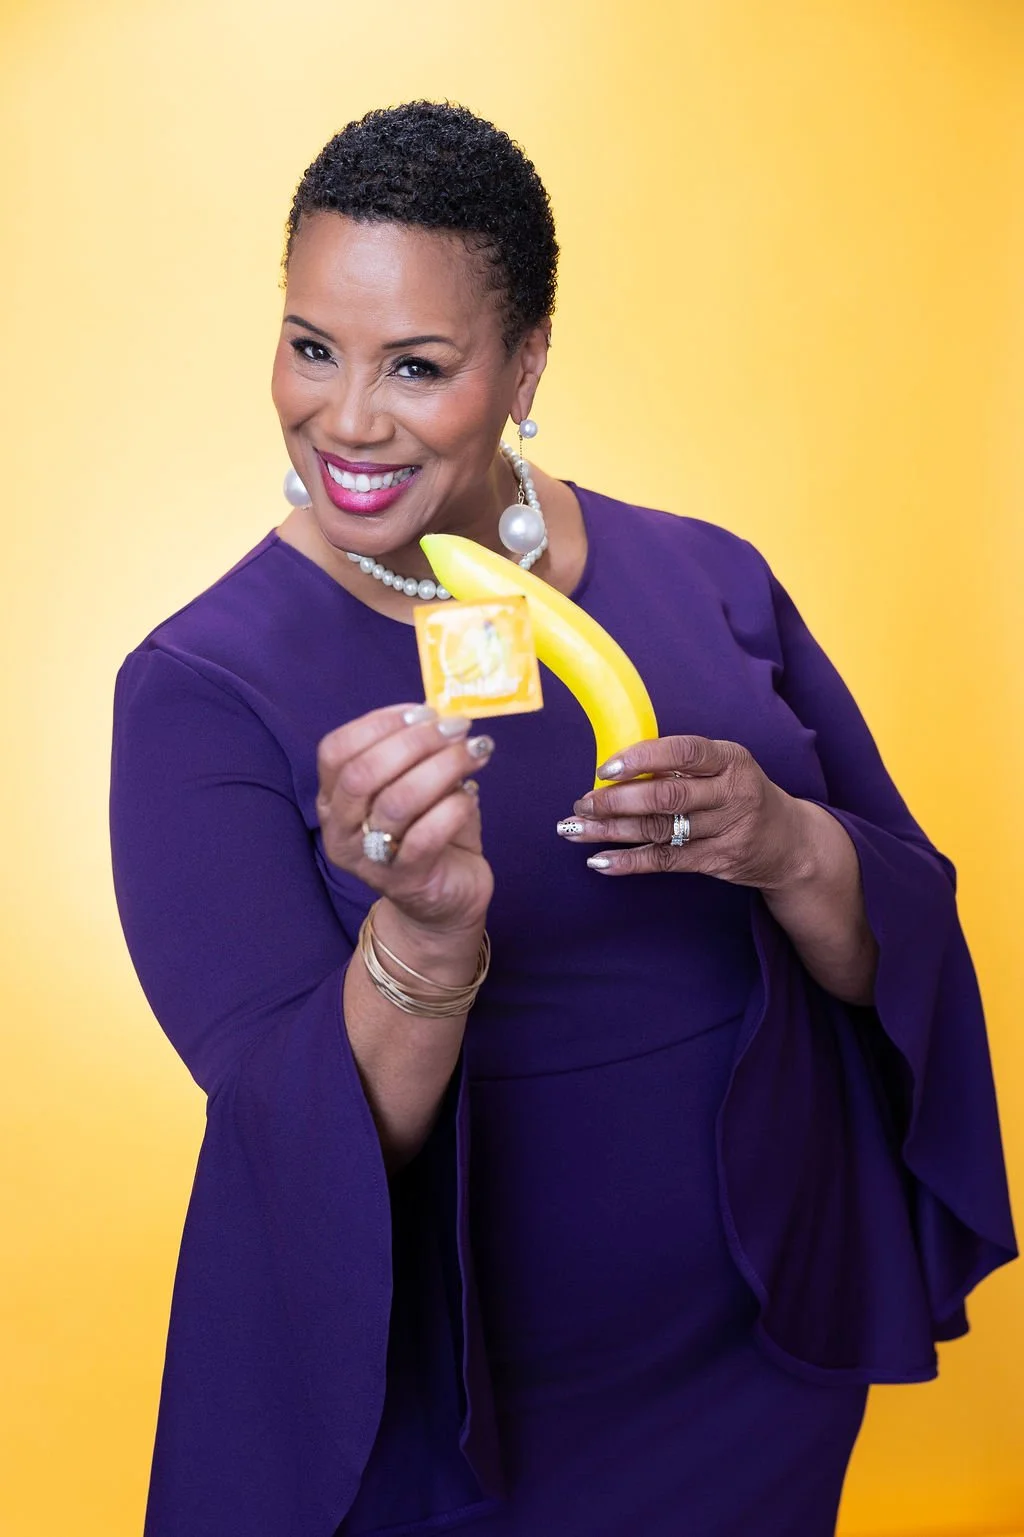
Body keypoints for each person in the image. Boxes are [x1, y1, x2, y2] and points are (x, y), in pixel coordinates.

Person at [108, 101, 1017, 1537]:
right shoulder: (202, 688)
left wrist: (786, 844)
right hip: (444, 1420)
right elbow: (300, 1134)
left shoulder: (710, 580)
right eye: (310, 346)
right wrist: (427, 932)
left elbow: (898, 932)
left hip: (750, 1369)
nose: (346, 417)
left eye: (417, 364)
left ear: (526, 362)